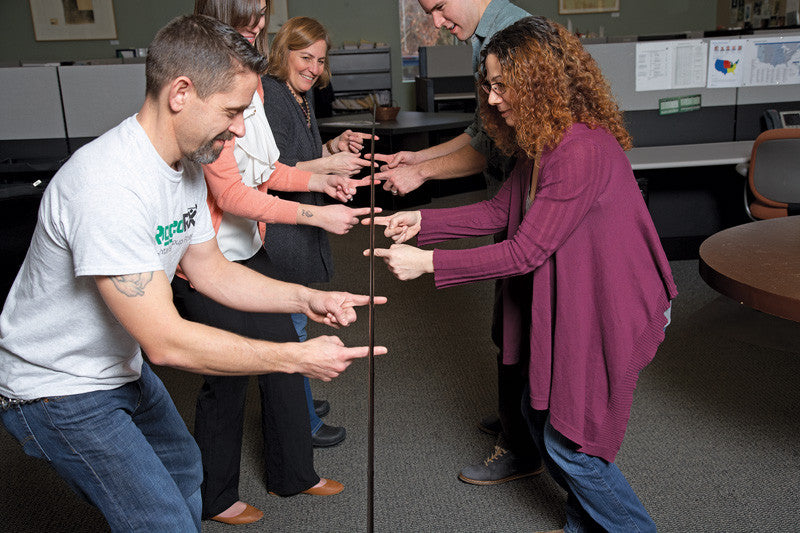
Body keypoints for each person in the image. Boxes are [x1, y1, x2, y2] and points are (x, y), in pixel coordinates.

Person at [0, 15, 386, 532]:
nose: (240, 129)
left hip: (118, 367)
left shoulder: (183, 167)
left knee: (186, 474)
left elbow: (210, 271)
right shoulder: (108, 187)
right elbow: (166, 341)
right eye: (232, 112)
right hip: (58, 389)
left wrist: (304, 300)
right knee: (162, 519)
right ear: (181, 92)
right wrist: (294, 357)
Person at [369, 16, 677, 532]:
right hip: (581, 292)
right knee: (541, 417)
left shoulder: (579, 149)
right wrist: (423, 221)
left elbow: (524, 252)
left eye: (500, 85)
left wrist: (428, 262)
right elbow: (499, 213)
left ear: (538, 82)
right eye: (487, 85)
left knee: (572, 445)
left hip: (616, 302)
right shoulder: (541, 141)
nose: (491, 99)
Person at [173, 1, 376, 524]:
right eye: (249, 18)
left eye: (262, 17)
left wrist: (318, 182)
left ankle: (294, 473)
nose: (259, 27)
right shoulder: (208, 89)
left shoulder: (250, 83)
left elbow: (266, 171)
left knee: (287, 350)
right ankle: (214, 497)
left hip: (247, 248)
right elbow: (234, 192)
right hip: (205, 257)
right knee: (230, 371)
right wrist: (314, 217)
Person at [379, 0, 541, 487]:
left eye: (438, 6)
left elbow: (489, 148)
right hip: (509, 204)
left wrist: (421, 175)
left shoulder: (511, 40)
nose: (435, 21)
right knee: (508, 323)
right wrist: (418, 158)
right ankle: (518, 414)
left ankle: (523, 441)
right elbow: (482, 134)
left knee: (520, 327)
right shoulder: (485, 43)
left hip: (530, 216)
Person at [261, 16, 383, 448]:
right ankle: (303, 422)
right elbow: (270, 175)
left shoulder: (298, 95)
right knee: (291, 326)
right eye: (305, 57)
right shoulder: (272, 97)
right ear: (284, 53)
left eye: (320, 60)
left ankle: (303, 404)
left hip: (299, 221)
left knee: (294, 321)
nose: (313, 68)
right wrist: (329, 167)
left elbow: (299, 154)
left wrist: (332, 146)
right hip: (280, 225)